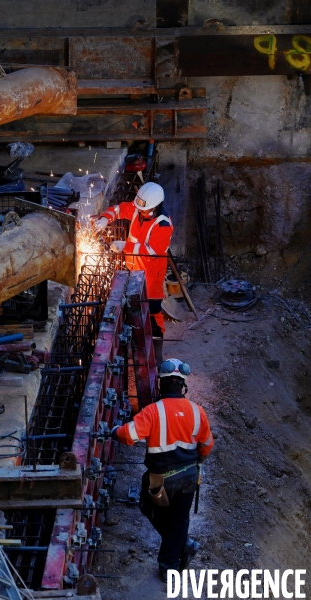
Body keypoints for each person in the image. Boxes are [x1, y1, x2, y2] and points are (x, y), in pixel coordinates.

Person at [111, 358, 214, 581]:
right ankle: (175, 556)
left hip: (160, 480)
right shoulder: (197, 412)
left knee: (148, 507)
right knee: (179, 519)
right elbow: (207, 445)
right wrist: (199, 461)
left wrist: (113, 431)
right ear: (183, 386)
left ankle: (173, 559)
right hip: (189, 476)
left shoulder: (152, 412)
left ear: (161, 384)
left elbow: (128, 435)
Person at [93, 182, 173, 364]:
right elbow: (119, 209)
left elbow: (151, 251)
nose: (139, 212)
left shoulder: (162, 224)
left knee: (152, 311)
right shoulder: (139, 209)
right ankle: (135, 342)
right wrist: (105, 218)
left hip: (152, 275)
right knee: (132, 305)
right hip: (134, 268)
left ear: (155, 206)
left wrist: (125, 246)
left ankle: (156, 350)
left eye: (144, 210)